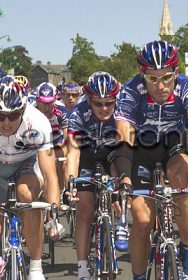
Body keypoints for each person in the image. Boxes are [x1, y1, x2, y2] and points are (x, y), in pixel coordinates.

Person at [113, 40, 188, 280]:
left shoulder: (187, 87)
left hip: (173, 146)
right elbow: (124, 139)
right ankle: (139, 275)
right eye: (152, 78)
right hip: (141, 151)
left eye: (166, 77)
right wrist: (125, 178)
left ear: (176, 73)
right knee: (141, 219)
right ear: (142, 74)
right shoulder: (130, 90)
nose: (160, 86)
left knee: (183, 180)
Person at [64, 72, 128, 280]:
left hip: (112, 155)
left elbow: (127, 149)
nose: (104, 108)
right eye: (98, 103)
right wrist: (70, 184)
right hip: (87, 157)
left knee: (119, 171)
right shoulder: (78, 114)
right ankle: (82, 268)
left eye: (109, 103)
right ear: (89, 100)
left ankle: (121, 221)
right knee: (84, 210)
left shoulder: (122, 112)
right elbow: (73, 153)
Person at [0, 77, 62, 280]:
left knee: (26, 195)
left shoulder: (37, 122)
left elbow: (49, 174)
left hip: (26, 162)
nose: (7, 123)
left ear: (23, 110)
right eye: (1, 117)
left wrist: (53, 214)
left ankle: (35, 267)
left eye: (13, 115)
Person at [35, 82, 68, 209]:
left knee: (60, 159)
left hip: (56, 140)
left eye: (49, 102)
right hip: (38, 142)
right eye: (42, 102)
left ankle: (60, 191)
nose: (46, 106)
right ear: (37, 101)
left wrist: (61, 147)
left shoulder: (61, 111)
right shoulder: (31, 111)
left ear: (55, 100)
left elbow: (66, 137)